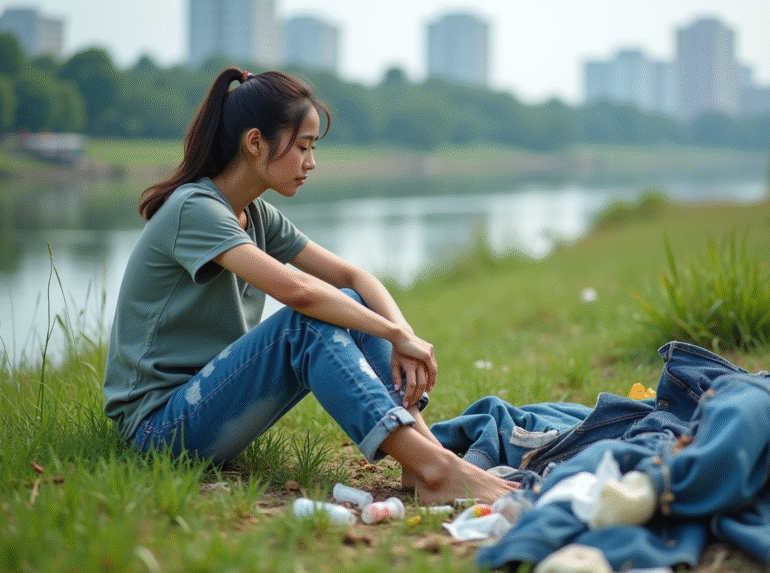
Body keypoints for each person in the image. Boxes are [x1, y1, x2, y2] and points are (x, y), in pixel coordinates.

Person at [102, 67, 517, 504]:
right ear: (255, 142)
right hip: (156, 431)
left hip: (204, 409)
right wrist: (392, 334)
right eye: (302, 147)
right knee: (306, 323)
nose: (311, 162)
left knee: (351, 303)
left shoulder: (256, 215)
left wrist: (404, 335)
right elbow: (299, 293)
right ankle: (436, 469)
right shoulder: (195, 209)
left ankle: (425, 460)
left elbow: (355, 278)